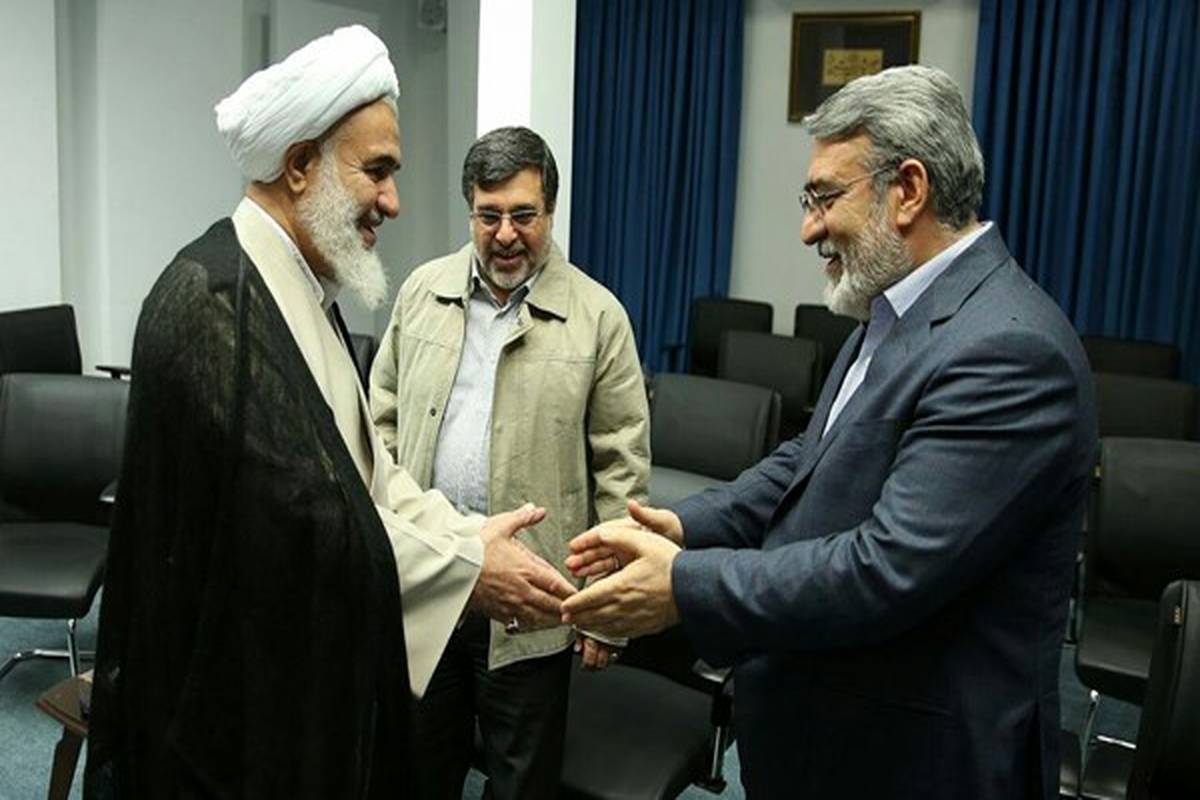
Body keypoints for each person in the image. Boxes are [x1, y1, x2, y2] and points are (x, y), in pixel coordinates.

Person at [561, 65, 1097, 799]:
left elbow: (887, 568)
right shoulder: (892, 309)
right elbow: (810, 459)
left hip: (918, 762)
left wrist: (685, 585)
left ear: (908, 190)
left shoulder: (1010, 350)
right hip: (830, 730)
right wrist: (684, 524)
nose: (809, 228)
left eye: (824, 198)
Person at [84, 26, 575, 799]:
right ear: (300, 165)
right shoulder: (213, 303)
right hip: (229, 727)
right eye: (376, 171)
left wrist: (465, 536)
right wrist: (469, 570)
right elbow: (302, 527)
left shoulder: (305, 290)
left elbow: (364, 477)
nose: (394, 202)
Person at [369, 126, 650, 799]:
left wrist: (605, 606)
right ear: (469, 209)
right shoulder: (421, 292)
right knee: (413, 773)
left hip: (532, 602)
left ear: (550, 210)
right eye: (488, 215)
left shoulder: (598, 317)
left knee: (522, 783)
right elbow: (378, 425)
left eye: (524, 215)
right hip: (431, 585)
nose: (505, 235)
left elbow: (621, 470)